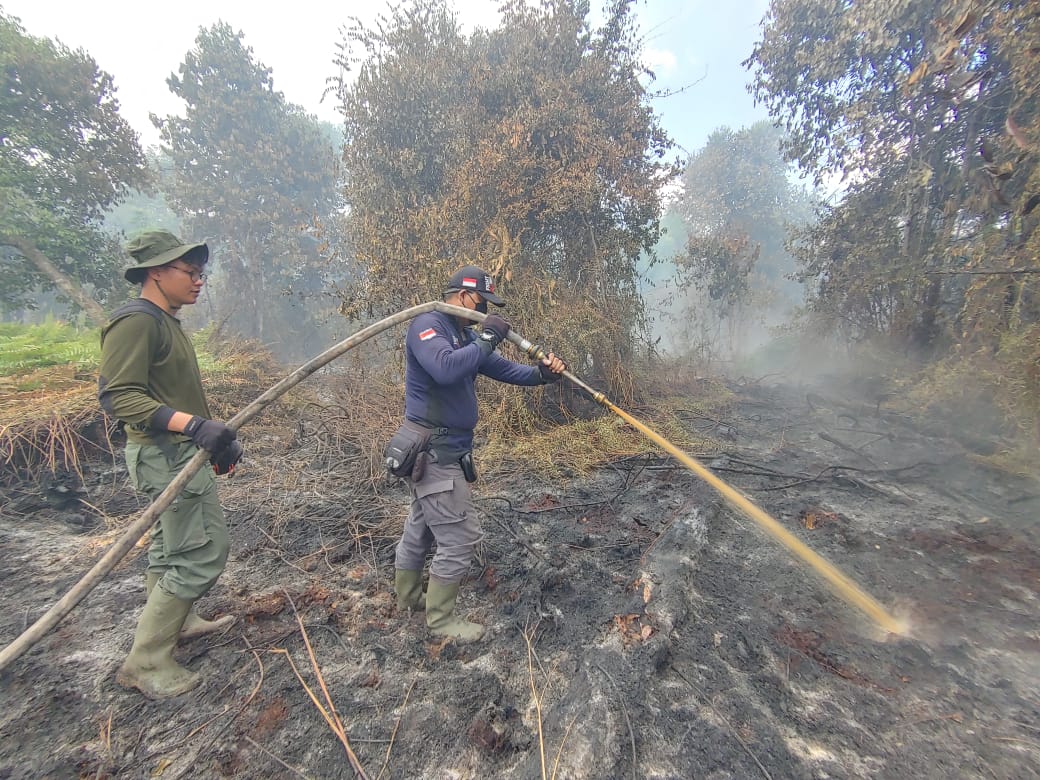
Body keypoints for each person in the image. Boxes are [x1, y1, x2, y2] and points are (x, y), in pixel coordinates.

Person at [98, 229, 242, 699]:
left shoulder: (166, 323)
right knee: (202, 553)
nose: (199, 282)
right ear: (155, 273)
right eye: (190, 272)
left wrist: (212, 440)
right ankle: (146, 661)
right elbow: (119, 396)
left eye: (202, 273)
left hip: (178, 450)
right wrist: (192, 426)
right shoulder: (136, 322)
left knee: (169, 547)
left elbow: (171, 394)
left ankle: (179, 622)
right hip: (163, 455)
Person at [393, 265, 566, 641]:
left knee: (421, 525)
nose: (484, 309)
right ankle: (440, 621)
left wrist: (543, 374)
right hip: (433, 451)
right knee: (459, 536)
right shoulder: (428, 326)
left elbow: (508, 370)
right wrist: (488, 336)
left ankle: (408, 598)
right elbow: (445, 369)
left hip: (444, 451)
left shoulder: (464, 336)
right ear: (461, 296)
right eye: (481, 302)